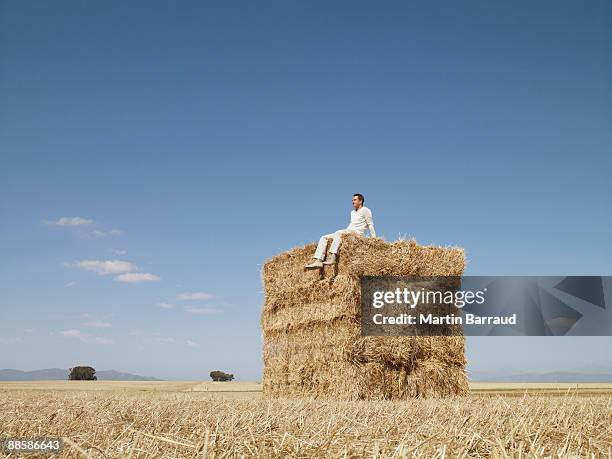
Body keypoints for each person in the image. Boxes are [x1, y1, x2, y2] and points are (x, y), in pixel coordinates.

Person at [305, 193, 376, 269]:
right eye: (352, 200)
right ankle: (318, 260)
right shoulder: (352, 212)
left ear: (361, 201)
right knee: (324, 237)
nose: (353, 202)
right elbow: (352, 224)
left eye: (355, 200)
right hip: (349, 231)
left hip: (357, 233)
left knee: (339, 233)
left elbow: (370, 224)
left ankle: (332, 256)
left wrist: (374, 239)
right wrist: (346, 230)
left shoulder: (365, 210)